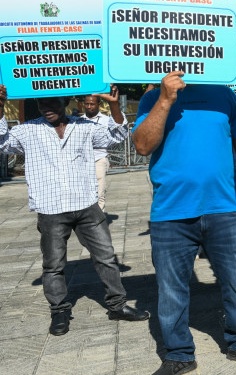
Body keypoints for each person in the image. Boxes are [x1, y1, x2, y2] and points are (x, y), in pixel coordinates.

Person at [133, 72, 236, 375]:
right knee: (171, 289)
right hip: (170, 213)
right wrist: (165, 99)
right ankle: (178, 354)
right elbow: (142, 145)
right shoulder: (153, 98)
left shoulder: (222, 94)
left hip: (223, 208)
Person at [0, 85, 148, 336]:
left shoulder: (84, 127)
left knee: (106, 257)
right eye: (41, 104)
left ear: (65, 101)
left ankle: (117, 305)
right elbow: (2, 144)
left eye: (52, 103)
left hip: (86, 206)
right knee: (54, 265)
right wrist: (1, 106)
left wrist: (114, 105)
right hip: (51, 209)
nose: (46, 109)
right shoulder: (28, 130)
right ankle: (59, 311)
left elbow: (118, 136)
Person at [82, 94, 115, 211]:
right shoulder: (79, 121)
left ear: (98, 105)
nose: (89, 106)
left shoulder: (106, 121)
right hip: (82, 160)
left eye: (92, 104)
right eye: (87, 104)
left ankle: (100, 218)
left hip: (99, 159)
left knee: (99, 191)